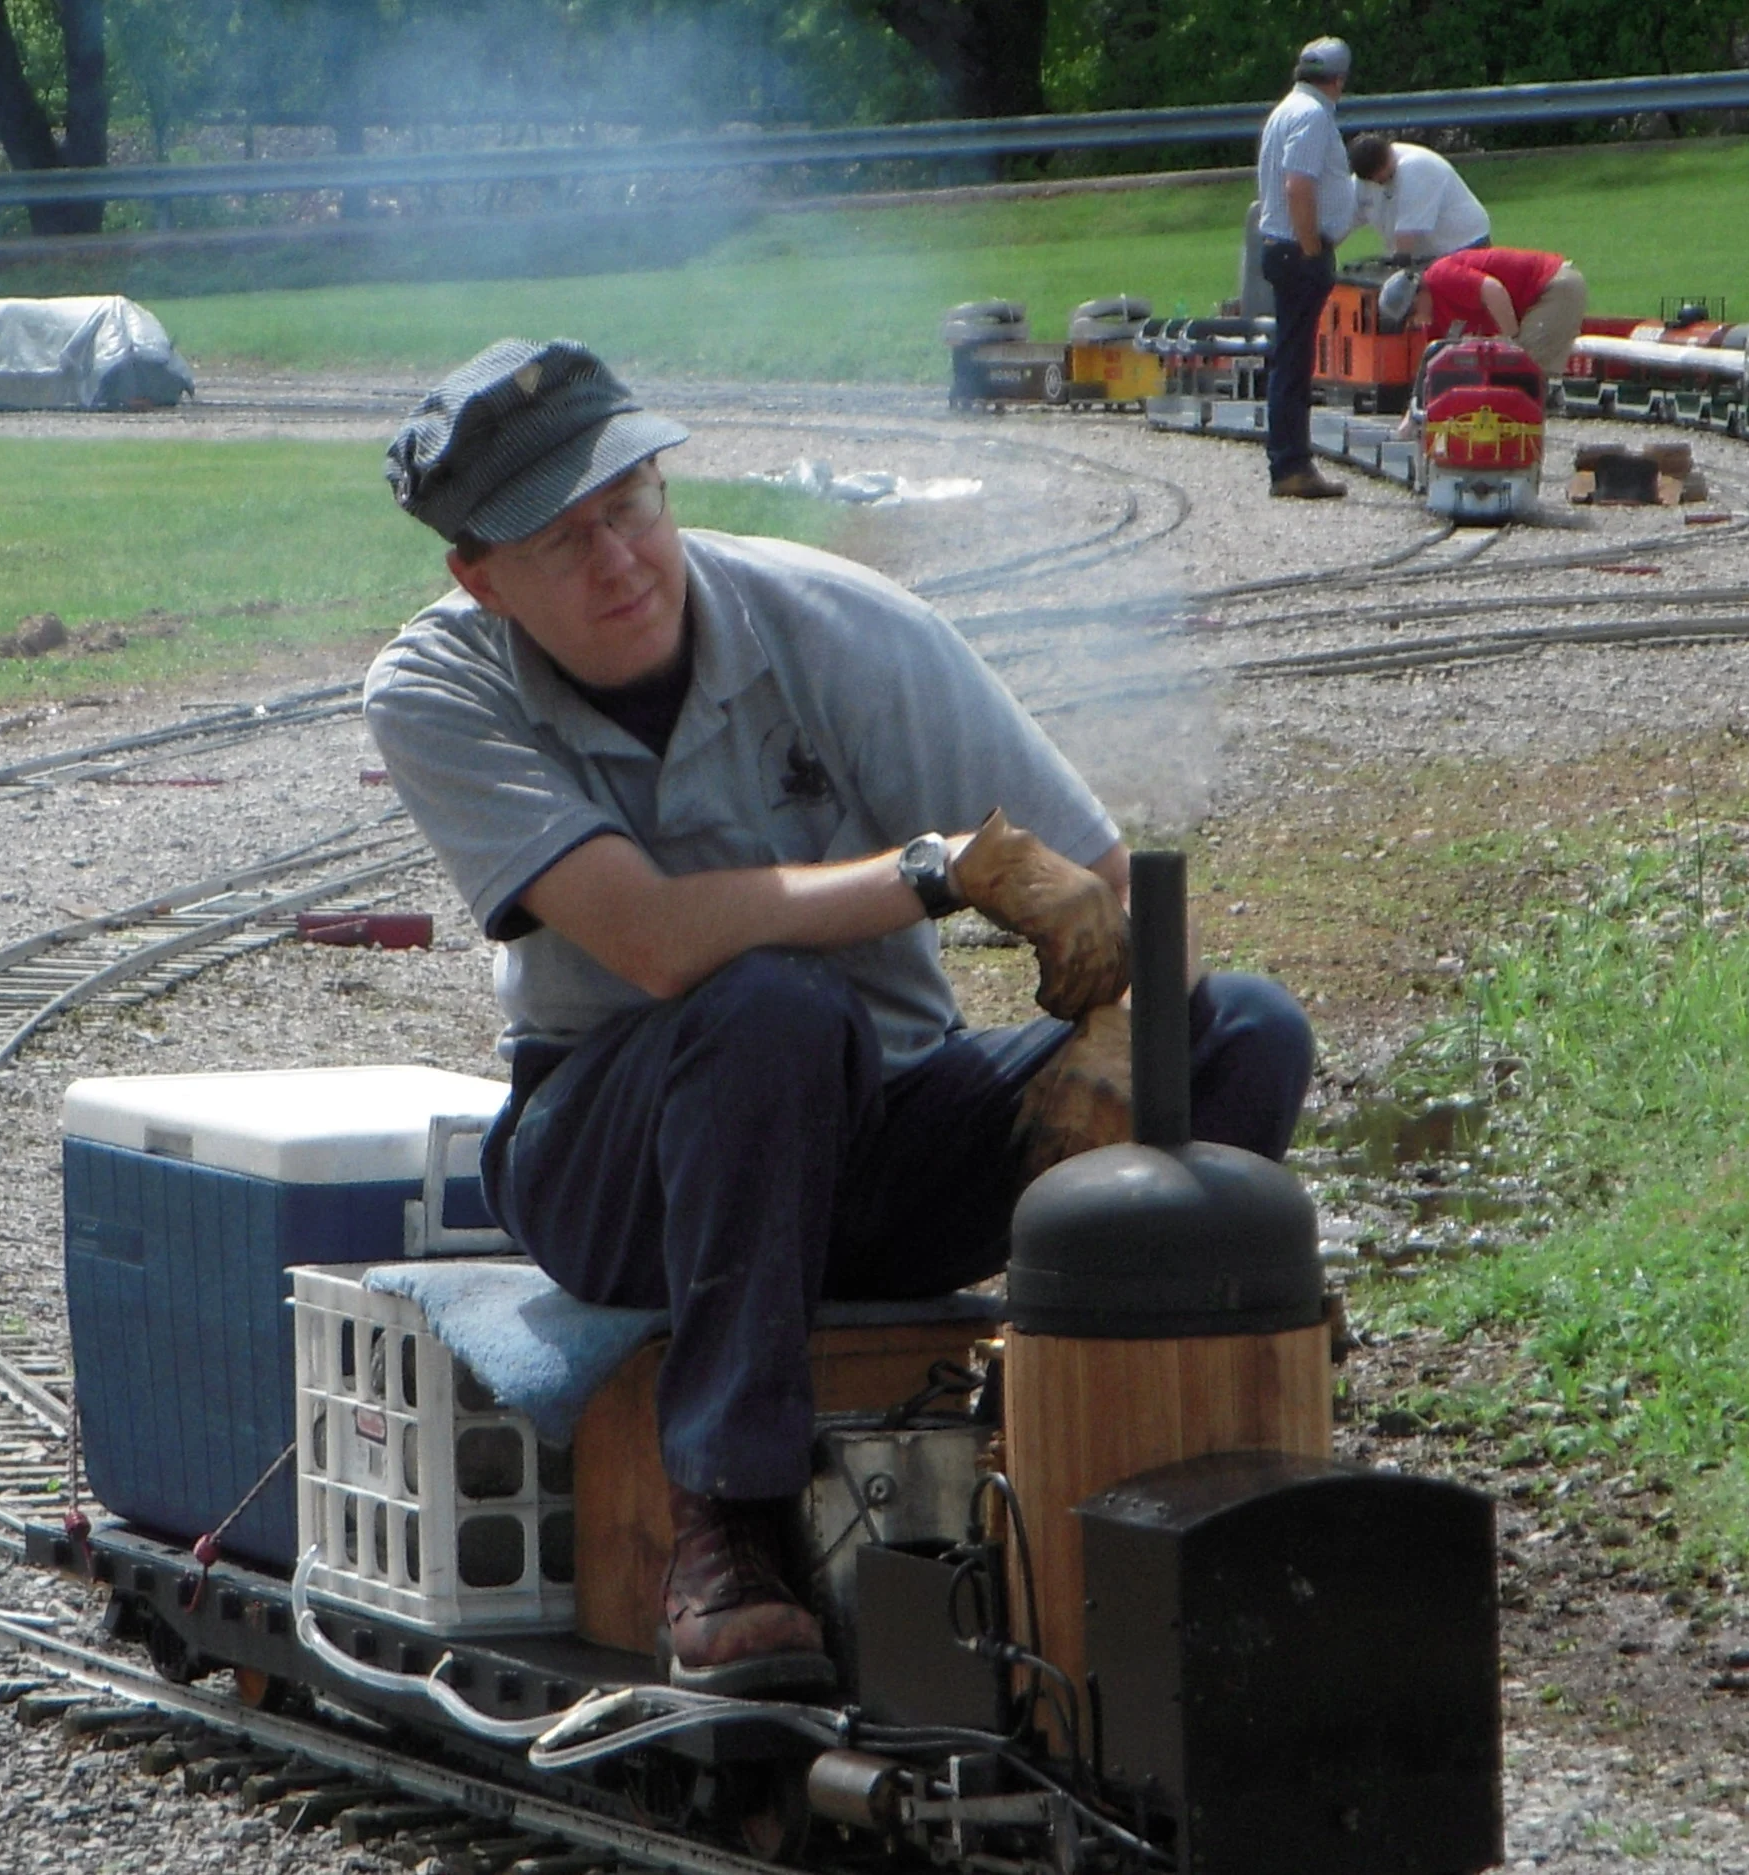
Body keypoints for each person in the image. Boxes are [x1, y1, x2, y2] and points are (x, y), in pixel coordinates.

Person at [364, 337, 1315, 1696]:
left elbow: (1107, 886)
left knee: (1244, 1033)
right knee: (767, 1008)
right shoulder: (436, 689)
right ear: (479, 575)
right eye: (560, 541)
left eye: (629, 506)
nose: (618, 561)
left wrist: (1121, 1028)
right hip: (614, 1153)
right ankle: (728, 1529)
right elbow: (653, 938)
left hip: (878, 1121)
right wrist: (930, 870)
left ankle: (1112, 1464)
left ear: (664, 481)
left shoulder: (841, 624)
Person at [1255, 37, 1360, 500]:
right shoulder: (1314, 116)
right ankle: (1290, 465)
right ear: (1338, 80)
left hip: (1283, 247)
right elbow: (1298, 185)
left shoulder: (1285, 109)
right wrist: (1312, 246)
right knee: (1294, 362)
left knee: (1290, 357)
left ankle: (1289, 460)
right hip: (1299, 250)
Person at [1384, 245, 1590, 382]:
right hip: (1534, 300)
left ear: (1419, 294)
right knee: (1510, 371)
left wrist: (1511, 341)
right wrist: (1416, 414)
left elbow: (1493, 290)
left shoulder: (1441, 277)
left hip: (1553, 287)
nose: (1414, 322)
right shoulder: (1434, 321)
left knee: (1521, 368)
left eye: (1411, 314)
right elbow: (1435, 367)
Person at [1347, 135, 1492, 262]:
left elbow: (1407, 236)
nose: (1377, 181)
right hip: (1425, 255)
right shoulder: (1362, 182)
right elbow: (1341, 221)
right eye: (1372, 180)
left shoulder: (1416, 167)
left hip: (1464, 245)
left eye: (1380, 175)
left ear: (1389, 154)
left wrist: (1395, 270)